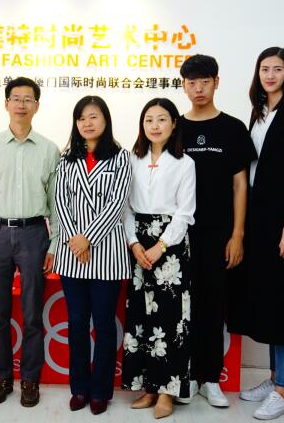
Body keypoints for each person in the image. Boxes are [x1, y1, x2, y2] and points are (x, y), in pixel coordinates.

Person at [0, 77, 59, 408]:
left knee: (33, 313)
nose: (21, 104)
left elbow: (57, 203)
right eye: (16, 98)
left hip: (35, 233)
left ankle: (30, 379)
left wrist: (54, 245)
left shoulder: (49, 150)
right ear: (6, 103)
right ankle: (2, 376)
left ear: (37, 106)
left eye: (28, 99)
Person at [236, 47, 284, 420]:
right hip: (258, 219)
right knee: (267, 299)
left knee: (283, 302)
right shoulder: (259, 110)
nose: (270, 74)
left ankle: (283, 389)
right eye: (264, 68)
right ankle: (273, 378)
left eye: (277, 69)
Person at [177, 54, 256, 409]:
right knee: (183, 307)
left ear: (216, 83)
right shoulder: (174, 127)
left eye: (205, 81)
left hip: (219, 234)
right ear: (183, 86)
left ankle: (210, 378)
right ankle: (187, 376)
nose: (198, 88)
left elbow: (241, 185)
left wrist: (237, 234)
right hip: (179, 234)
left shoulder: (233, 128)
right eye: (192, 82)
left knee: (212, 305)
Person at [53, 96, 131, 416]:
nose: (87, 123)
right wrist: (75, 239)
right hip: (73, 254)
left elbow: (117, 203)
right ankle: (79, 388)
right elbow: (60, 201)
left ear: (105, 120)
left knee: (104, 323)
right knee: (76, 322)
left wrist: (87, 238)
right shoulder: (66, 158)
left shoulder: (121, 157)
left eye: (93, 116)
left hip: (106, 253)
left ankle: (100, 390)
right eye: (82, 118)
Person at [121, 98, 196, 419]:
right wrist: (134, 244)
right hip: (138, 243)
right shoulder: (132, 160)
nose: (155, 125)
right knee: (141, 317)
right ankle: (148, 388)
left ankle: (167, 392)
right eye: (149, 119)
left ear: (174, 124)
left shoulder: (184, 163)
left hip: (171, 246)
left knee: (170, 320)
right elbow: (125, 207)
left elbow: (185, 212)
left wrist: (161, 245)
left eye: (162, 119)